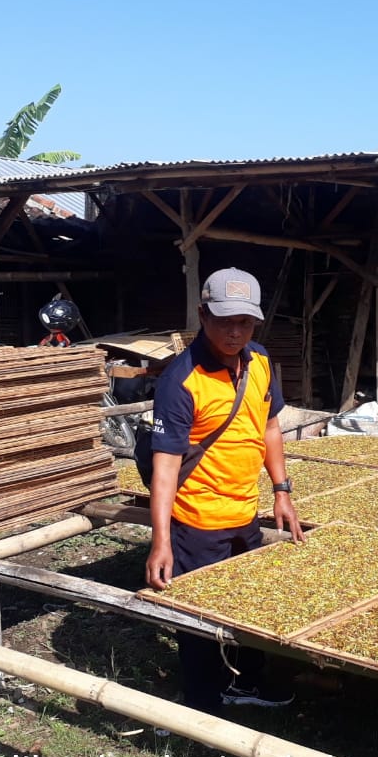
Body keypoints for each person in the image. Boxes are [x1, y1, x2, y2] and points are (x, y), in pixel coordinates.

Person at [145, 267, 304, 714]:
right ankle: (201, 704)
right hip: (197, 520)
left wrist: (281, 491)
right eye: (224, 321)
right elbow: (165, 466)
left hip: (244, 513)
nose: (235, 332)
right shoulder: (181, 380)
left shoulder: (259, 362)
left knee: (246, 602)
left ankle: (246, 683)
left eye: (245, 322)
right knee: (197, 615)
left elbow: (269, 427)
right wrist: (161, 541)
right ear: (203, 315)